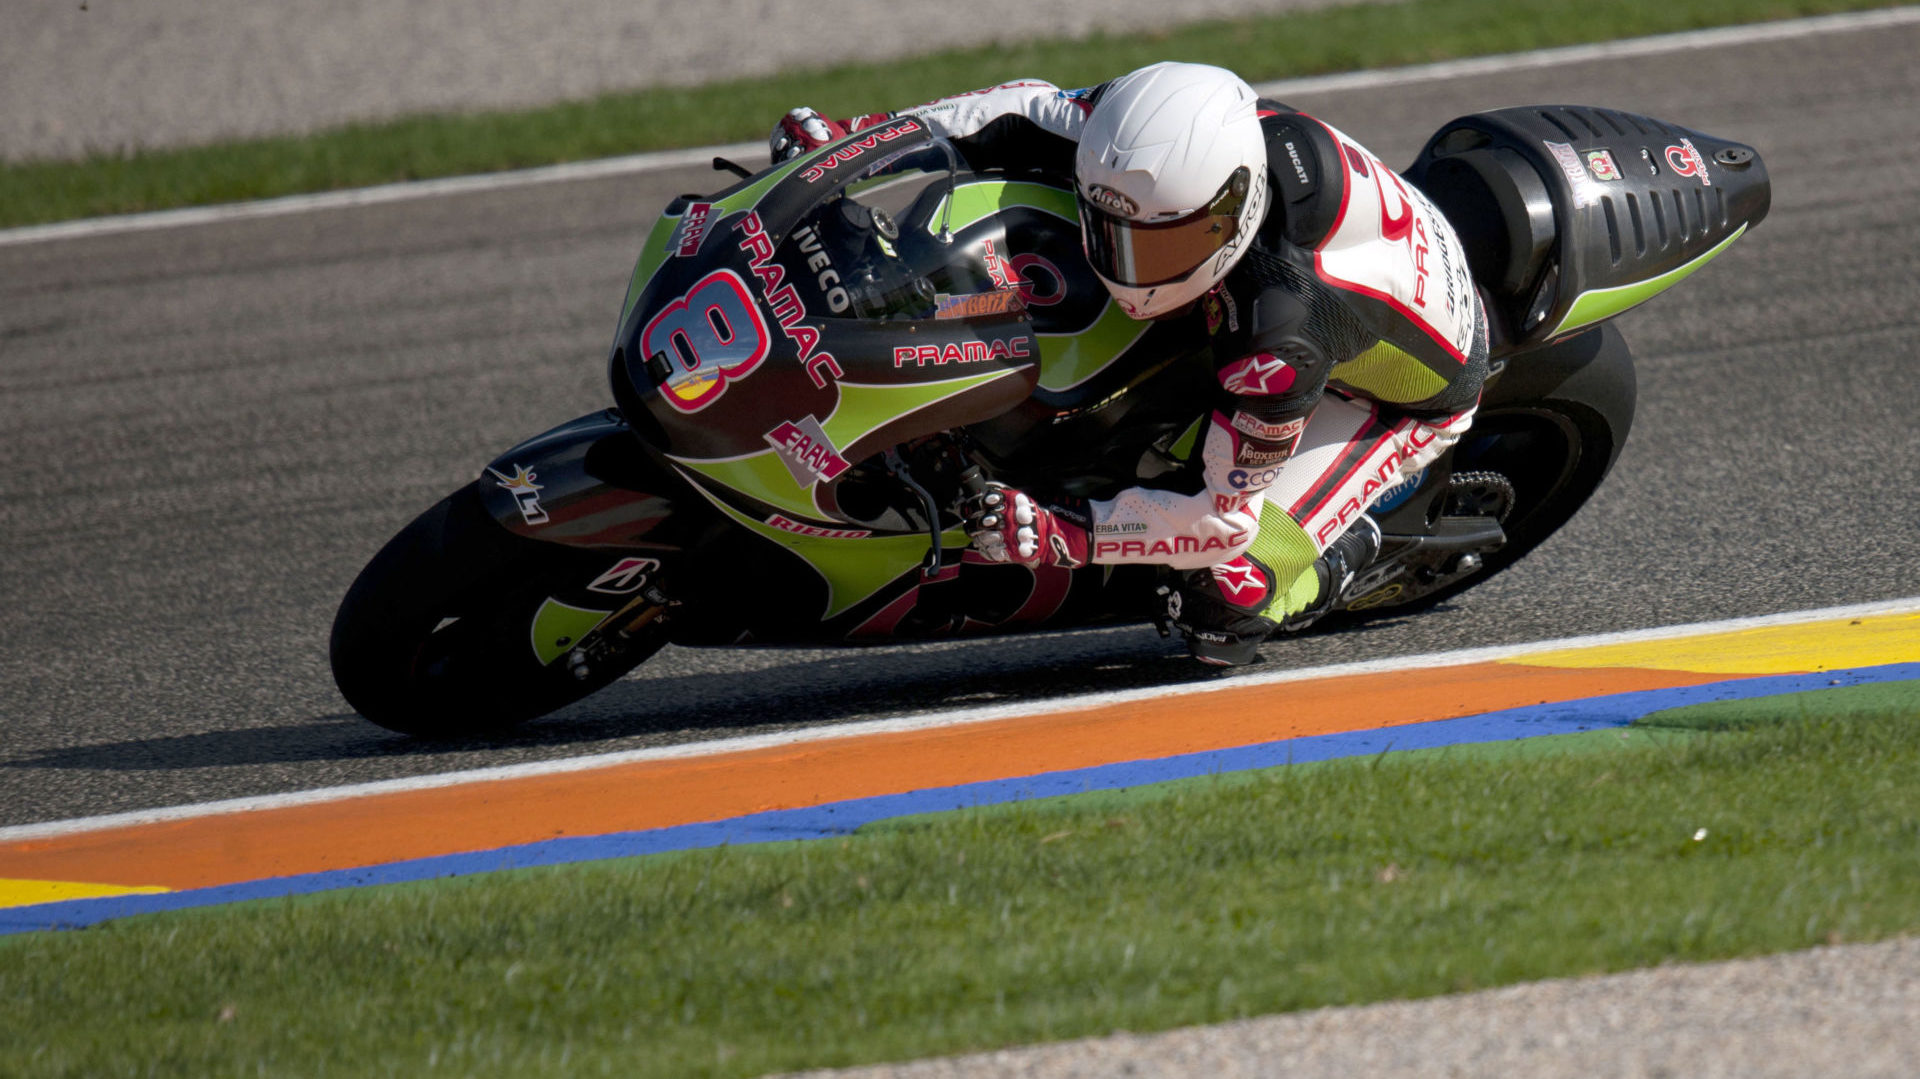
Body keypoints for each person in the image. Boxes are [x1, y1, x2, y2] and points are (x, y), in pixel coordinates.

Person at [770, 63, 1487, 665]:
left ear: (1231, 211)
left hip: (1394, 397)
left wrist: (1070, 532)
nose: (1126, 270)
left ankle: (1339, 551)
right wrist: (860, 141)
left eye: (1156, 247)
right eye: (1109, 233)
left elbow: (1220, 518)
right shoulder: (1159, 130)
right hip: (1301, 280)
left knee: (1222, 598)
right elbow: (1021, 109)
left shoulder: (1280, 339)